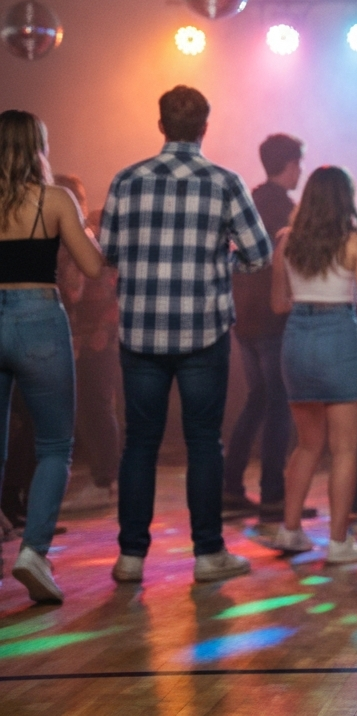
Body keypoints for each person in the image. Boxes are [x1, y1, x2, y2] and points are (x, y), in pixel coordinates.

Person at [100, 86, 273, 585]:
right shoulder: (224, 182)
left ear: (161, 126)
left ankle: (131, 557)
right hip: (202, 331)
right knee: (203, 442)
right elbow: (259, 254)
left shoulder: (126, 180)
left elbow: (108, 253)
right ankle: (207, 554)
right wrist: (222, 258)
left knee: (139, 444)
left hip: (139, 332)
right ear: (204, 127)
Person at [0, 110, 105, 603]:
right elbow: (92, 265)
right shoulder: (55, 199)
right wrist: (89, 234)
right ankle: (33, 552)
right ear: (38, 146)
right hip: (38, 316)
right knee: (53, 444)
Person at [269, 166, 357, 561]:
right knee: (345, 448)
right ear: (344, 199)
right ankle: (337, 543)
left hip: (297, 339)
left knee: (306, 444)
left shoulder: (287, 241)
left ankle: (290, 530)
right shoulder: (354, 242)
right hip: (337, 338)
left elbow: (278, 304)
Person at [224, 133, 304, 526]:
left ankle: (230, 487)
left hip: (245, 318)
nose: (300, 172)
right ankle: (273, 494)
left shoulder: (248, 202)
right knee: (278, 406)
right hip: (274, 320)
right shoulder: (287, 210)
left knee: (257, 400)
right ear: (289, 164)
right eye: (298, 165)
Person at [54, 178, 123, 514]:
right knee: (87, 408)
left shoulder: (89, 238)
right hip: (78, 336)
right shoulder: (66, 237)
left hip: (95, 338)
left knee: (96, 407)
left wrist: (104, 330)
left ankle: (104, 481)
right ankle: (103, 480)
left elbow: (112, 289)